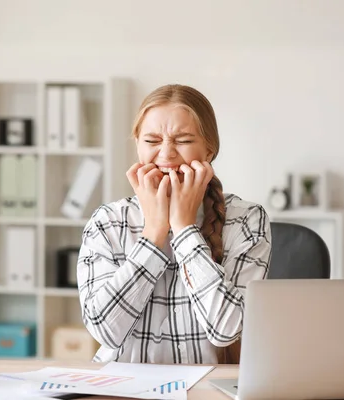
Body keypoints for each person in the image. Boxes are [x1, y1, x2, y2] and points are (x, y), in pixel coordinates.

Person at [76, 83, 271, 364]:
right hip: (123, 387)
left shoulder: (247, 220)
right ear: (138, 147)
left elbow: (226, 330)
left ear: (209, 151)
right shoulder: (107, 222)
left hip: (207, 387)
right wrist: (154, 233)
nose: (166, 155)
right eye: (152, 141)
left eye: (183, 140)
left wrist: (183, 228)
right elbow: (105, 331)